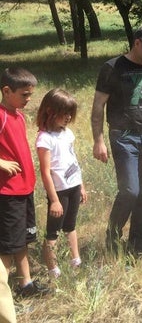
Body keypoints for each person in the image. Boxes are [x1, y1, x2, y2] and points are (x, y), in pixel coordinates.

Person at [91, 25, 142, 254]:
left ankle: (138, 243)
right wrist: (98, 140)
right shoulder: (112, 67)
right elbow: (99, 105)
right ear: (137, 43)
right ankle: (113, 237)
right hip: (123, 137)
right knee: (130, 191)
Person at [0, 67, 48, 297]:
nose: (29, 99)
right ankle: (3, 296)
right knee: (7, 245)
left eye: (30, 94)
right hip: (7, 192)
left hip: (23, 188)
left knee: (22, 240)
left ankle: (25, 285)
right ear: (7, 91)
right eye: (24, 95)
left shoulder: (17, 114)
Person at [36, 88, 87, 278]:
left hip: (73, 187)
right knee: (53, 232)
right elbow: (45, 172)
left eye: (70, 113)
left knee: (71, 226)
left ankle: (76, 261)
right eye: (64, 113)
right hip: (59, 192)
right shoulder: (45, 139)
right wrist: (54, 200)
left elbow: (74, 159)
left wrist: (81, 185)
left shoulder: (68, 133)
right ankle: (53, 270)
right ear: (50, 111)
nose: (68, 117)